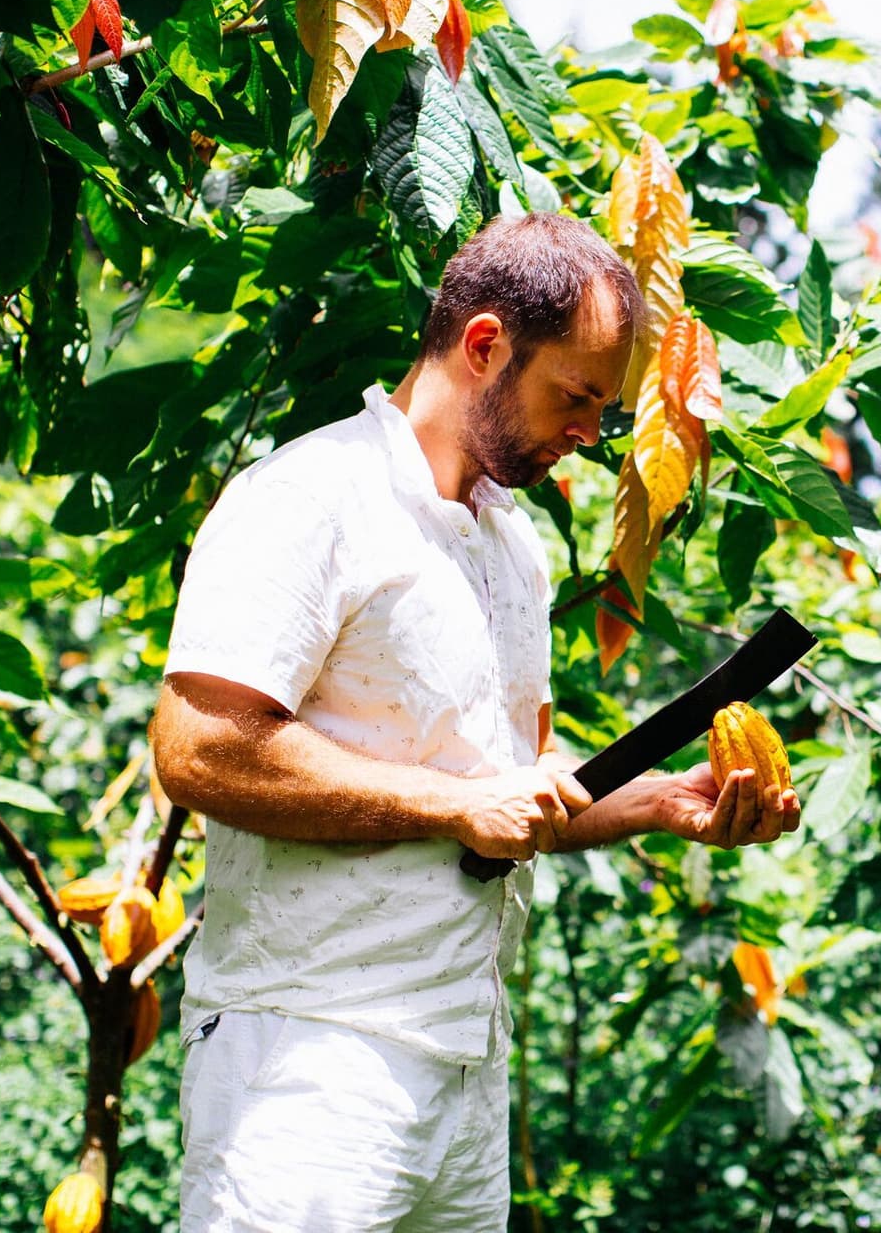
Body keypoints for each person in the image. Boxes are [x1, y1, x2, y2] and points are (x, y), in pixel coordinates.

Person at [149, 212, 801, 1232]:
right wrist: (455, 802)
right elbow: (197, 747)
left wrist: (662, 803)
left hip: (464, 1063)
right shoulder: (312, 497)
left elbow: (517, 788)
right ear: (486, 344)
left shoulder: (514, 544)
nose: (590, 434)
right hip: (308, 1054)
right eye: (575, 398)